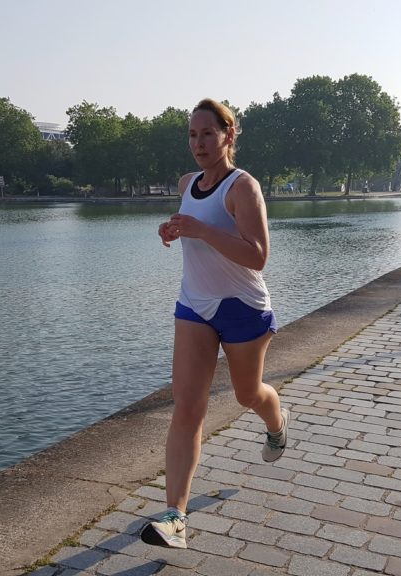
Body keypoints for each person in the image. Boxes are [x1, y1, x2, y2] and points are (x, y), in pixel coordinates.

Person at [140, 99, 289, 549]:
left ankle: (277, 423)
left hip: (242, 306)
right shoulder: (188, 183)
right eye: (192, 135)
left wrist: (200, 231)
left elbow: (257, 255)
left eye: (208, 134)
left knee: (248, 394)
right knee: (187, 409)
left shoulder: (243, 187)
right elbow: (193, 225)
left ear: (228, 135)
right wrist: (174, 229)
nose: (198, 143)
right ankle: (175, 518)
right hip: (195, 307)